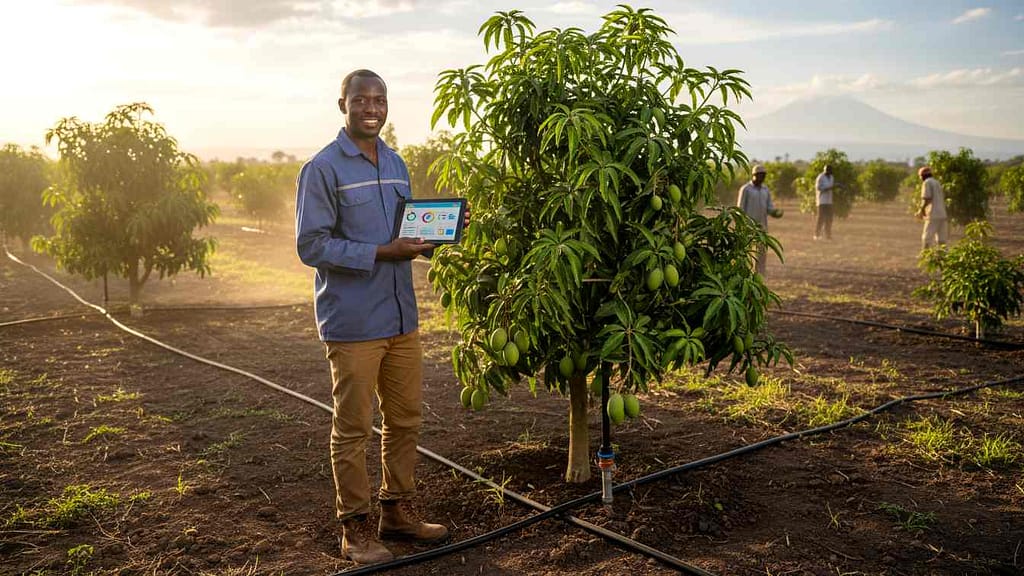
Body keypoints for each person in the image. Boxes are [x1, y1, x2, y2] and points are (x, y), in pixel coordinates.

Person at [295, 69, 449, 565]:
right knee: (354, 427)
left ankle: (396, 511)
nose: (372, 108)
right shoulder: (322, 168)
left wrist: (440, 232)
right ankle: (355, 529)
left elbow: (408, 231)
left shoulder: (397, 163)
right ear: (342, 103)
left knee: (405, 420)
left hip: (402, 316)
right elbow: (311, 245)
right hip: (355, 321)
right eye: (361, 99)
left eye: (380, 100)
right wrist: (382, 251)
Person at [736, 164, 782, 275]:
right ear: (754, 175)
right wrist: (741, 224)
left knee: (761, 250)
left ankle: (760, 271)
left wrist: (774, 213)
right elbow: (739, 209)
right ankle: (742, 270)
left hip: (762, 226)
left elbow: (769, 207)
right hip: (748, 226)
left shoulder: (765, 190)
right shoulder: (746, 189)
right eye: (760, 175)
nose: (762, 178)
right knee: (744, 250)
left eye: (764, 175)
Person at [916, 165, 948, 249]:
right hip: (942, 214)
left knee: (927, 238)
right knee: (941, 239)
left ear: (922, 176)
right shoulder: (937, 182)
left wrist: (921, 210)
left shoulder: (926, 182)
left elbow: (927, 198)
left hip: (933, 214)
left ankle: (925, 256)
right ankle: (943, 257)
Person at [814, 164, 835, 240]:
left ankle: (828, 235)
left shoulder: (832, 177)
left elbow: (831, 187)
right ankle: (817, 234)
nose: (828, 172)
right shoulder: (820, 177)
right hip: (822, 201)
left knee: (829, 219)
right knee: (821, 218)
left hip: (829, 201)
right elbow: (818, 188)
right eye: (827, 171)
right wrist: (829, 188)